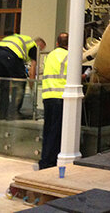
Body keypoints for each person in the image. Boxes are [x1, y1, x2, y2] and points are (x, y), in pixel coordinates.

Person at [0, 33, 46, 120]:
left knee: (3, 82)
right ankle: (14, 112)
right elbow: (32, 70)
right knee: (20, 81)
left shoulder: (21, 39)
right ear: (39, 45)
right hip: (10, 54)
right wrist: (31, 86)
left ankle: (3, 113)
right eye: (42, 49)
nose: (40, 51)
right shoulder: (33, 46)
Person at [39, 32, 69, 170]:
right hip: (60, 97)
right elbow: (73, 76)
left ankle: (44, 160)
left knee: (48, 130)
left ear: (57, 43)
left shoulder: (49, 55)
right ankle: (50, 161)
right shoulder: (69, 56)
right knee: (56, 132)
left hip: (47, 96)